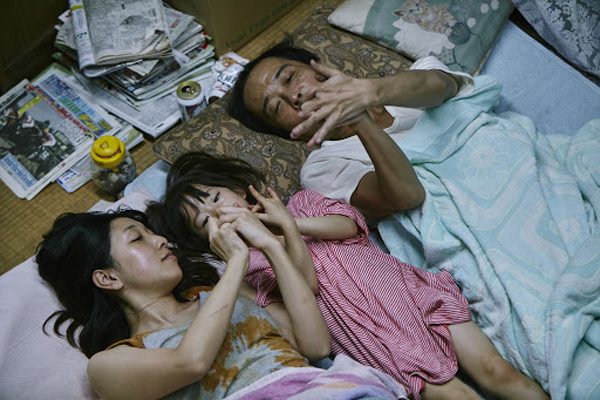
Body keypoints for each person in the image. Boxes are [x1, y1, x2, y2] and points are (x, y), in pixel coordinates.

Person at [146, 151, 549, 400]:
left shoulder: (302, 203)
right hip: (371, 338)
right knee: (456, 395)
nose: (219, 214)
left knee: (499, 373)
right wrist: (273, 238)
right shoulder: (250, 270)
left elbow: (348, 226)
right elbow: (307, 285)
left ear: (240, 188)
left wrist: (289, 221)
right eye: (206, 221)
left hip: (411, 296)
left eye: (217, 199)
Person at [35, 209, 408, 399]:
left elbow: (315, 346)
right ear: (108, 278)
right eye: (138, 239)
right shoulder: (109, 364)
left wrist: (271, 246)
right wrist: (235, 263)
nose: (161, 240)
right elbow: (190, 362)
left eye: (153, 233)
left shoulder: (220, 295)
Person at [228, 42, 472, 220]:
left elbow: (447, 87)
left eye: (291, 77)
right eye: (276, 107)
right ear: (289, 133)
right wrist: (357, 118)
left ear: (319, 66)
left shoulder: (413, 79)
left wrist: (371, 93)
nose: (294, 95)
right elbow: (408, 196)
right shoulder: (321, 168)